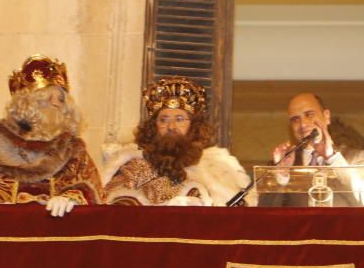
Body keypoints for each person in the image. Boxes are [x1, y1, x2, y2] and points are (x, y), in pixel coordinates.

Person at [0, 54, 103, 217]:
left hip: (54, 235)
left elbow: (95, 193)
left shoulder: (74, 153)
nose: (56, 103)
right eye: (47, 97)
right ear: (25, 103)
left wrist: (75, 198)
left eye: (61, 99)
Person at [102, 76, 252, 206]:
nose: (171, 126)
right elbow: (112, 204)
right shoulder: (135, 165)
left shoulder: (217, 168)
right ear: (154, 127)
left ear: (193, 125)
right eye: (163, 120)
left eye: (179, 119)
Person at [271, 93, 364, 168]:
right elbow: (256, 195)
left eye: (309, 114)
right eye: (295, 119)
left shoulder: (355, 157)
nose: (303, 124)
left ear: (326, 116)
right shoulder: (281, 163)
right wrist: (281, 174)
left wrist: (331, 158)